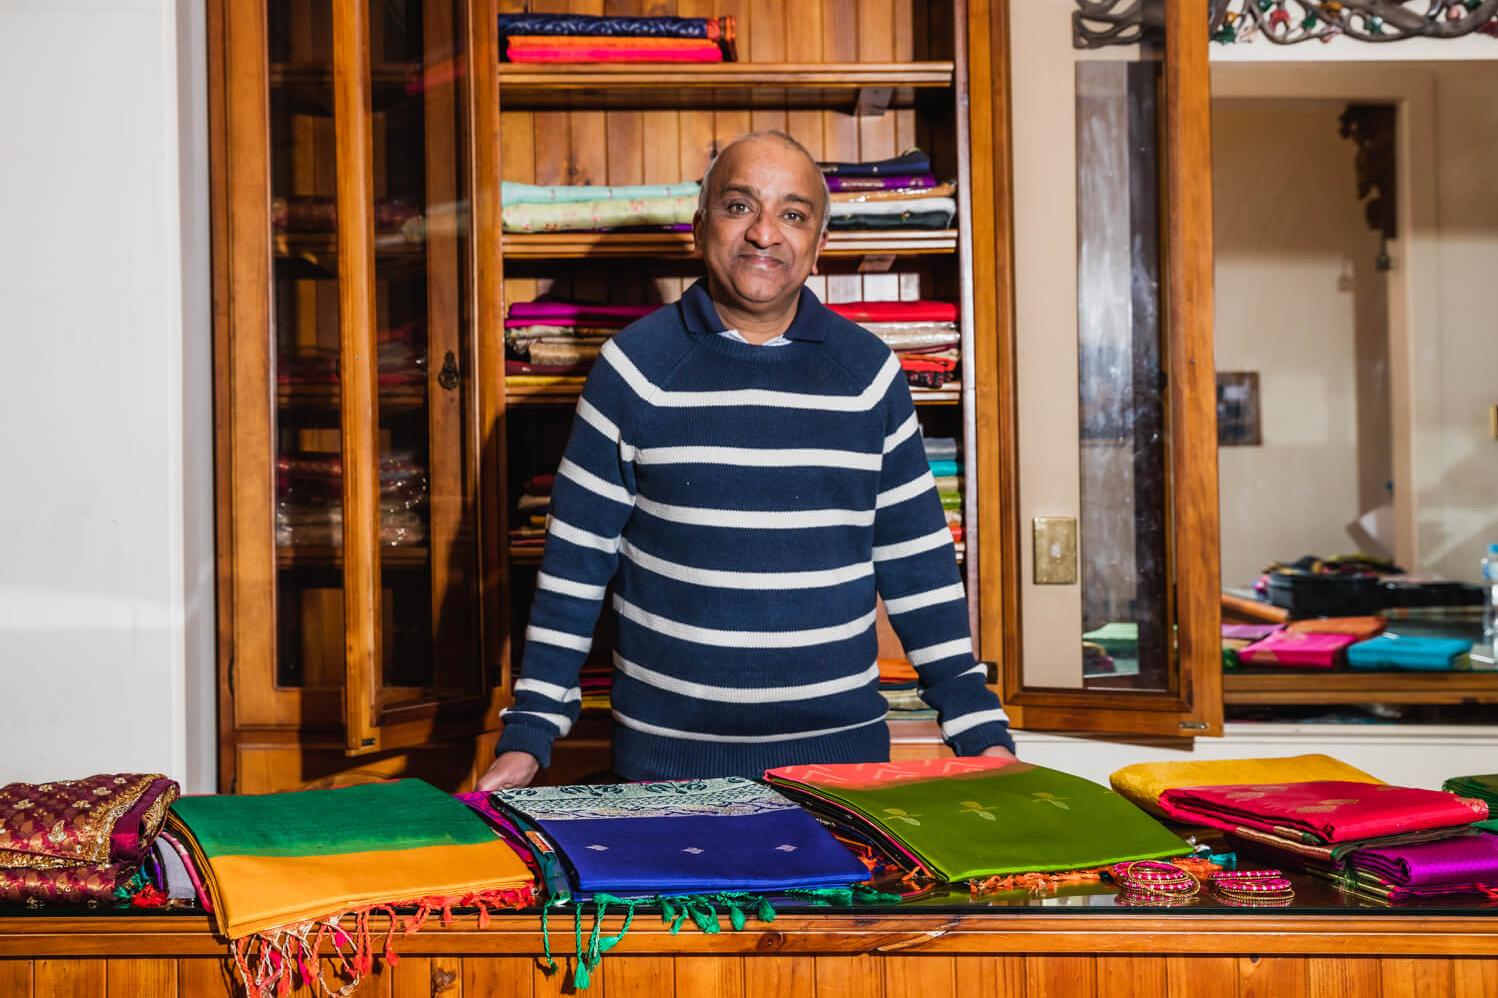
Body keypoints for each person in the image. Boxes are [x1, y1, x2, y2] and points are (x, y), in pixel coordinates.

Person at [477, 131, 1014, 791]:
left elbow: (918, 566)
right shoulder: (633, 369)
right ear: (700, 227)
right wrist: (527, 738)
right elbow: (574, 567)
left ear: (819, 246)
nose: (765, 233)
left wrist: (981, 734)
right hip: (664, 773)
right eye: (739, 206)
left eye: (793, 214)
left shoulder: (869, 375)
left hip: (840, 771)